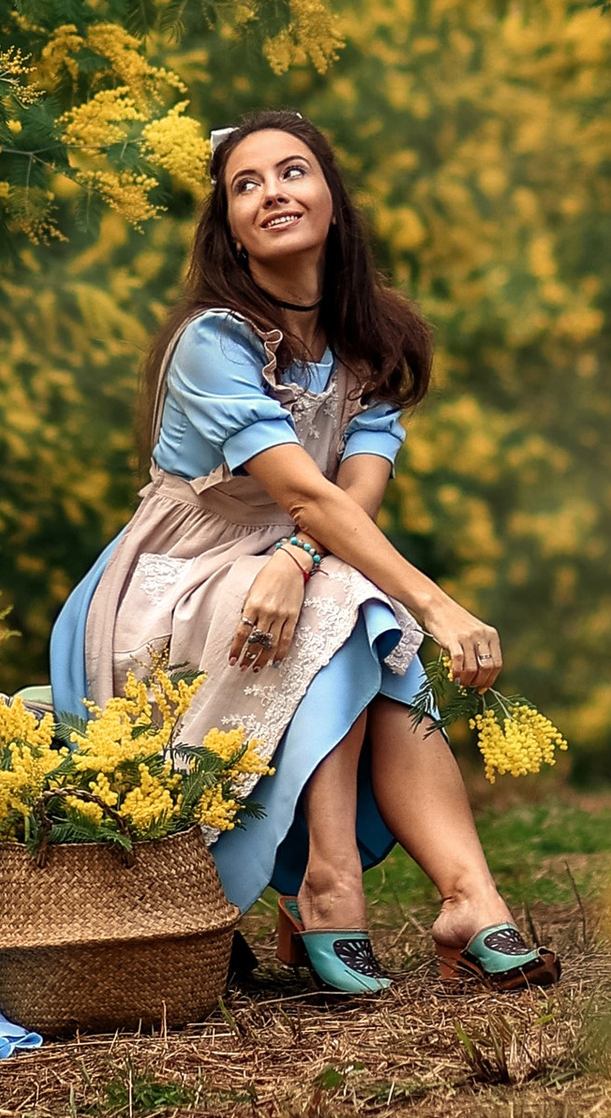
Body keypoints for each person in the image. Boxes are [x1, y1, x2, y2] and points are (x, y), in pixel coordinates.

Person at [49, 109, 557, 1000]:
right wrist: (438, 606)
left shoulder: (375, 339)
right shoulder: (214, 342)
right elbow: (306, 494)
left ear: (332, 201)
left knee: (359, 616)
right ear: (231, 233)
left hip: (305, 560)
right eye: (246, 185)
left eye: (292, 173)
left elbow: (350, 501)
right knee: (375, 612)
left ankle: (470, 898)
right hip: (176, 578)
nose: (272, 193)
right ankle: (327, 887)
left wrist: (298, 562)